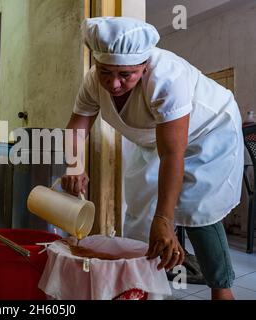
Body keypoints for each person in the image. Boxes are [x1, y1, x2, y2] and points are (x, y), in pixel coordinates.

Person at [61, 16, 243, 300]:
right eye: (105, 71)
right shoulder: (93, 82)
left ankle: (222, 289)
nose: (114, 83)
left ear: (144, 66)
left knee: (197, 211)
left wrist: (164, 218)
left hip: (208, 133)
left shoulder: (166, 78)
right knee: (139, 210)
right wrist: (74, 165)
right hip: (151, 139)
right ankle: (143, 287)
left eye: (126, 75)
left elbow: (172, 154)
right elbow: (77, 127)